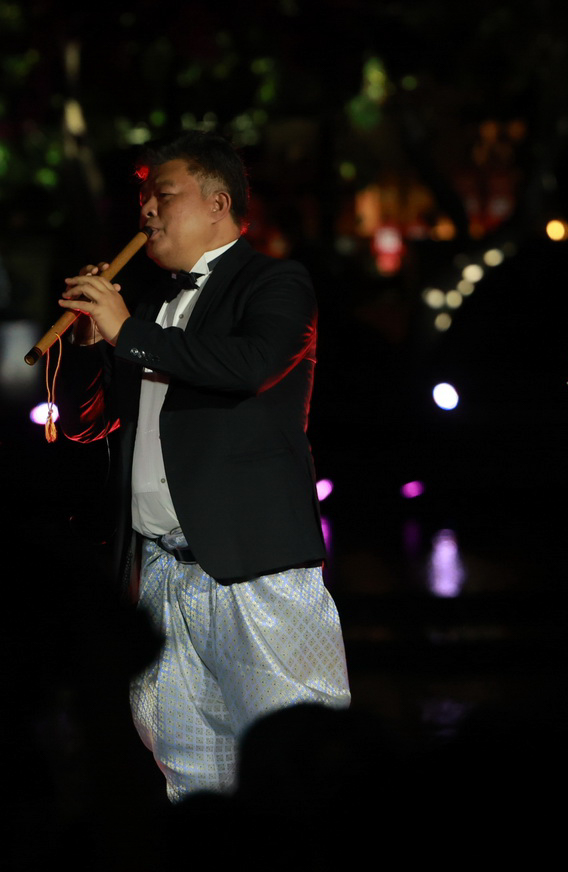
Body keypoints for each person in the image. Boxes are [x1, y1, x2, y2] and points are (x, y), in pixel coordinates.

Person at [57, 133, 350, 799]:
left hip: (255, 570)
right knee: (190, 778)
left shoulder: (276, 281)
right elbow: (86, 423)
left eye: (163, 197)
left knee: (300, 770)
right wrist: (86, 343)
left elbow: (247, 367)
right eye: (143, 200)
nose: (148, 213)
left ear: (219, 204)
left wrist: (127, 331)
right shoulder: (150, 306)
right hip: (158, 572)